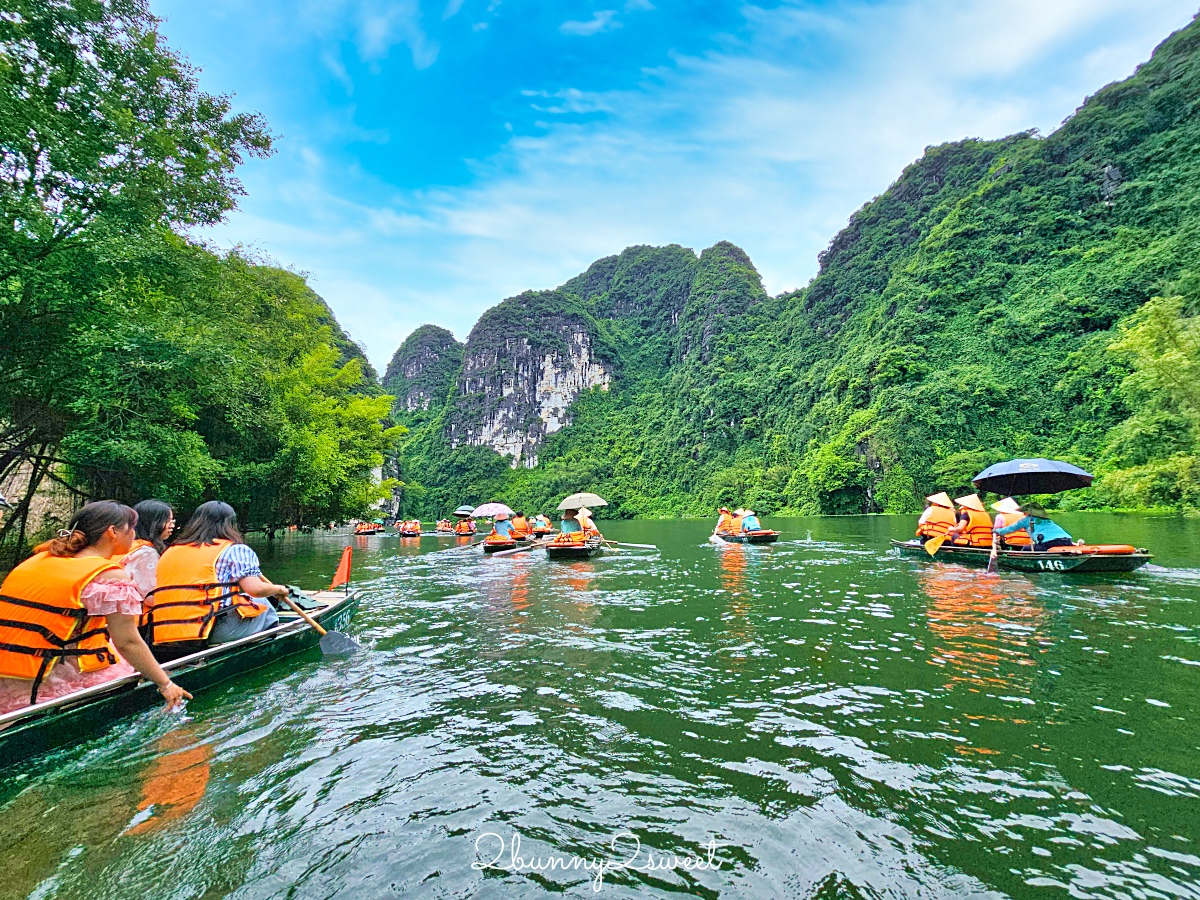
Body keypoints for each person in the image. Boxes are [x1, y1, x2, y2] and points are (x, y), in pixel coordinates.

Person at [0, 501, 190, 714]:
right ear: (113, 532)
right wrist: (166, 684)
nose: (134, 534)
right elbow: (127, 642)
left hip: (9, 677)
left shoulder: (38, 560)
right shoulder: (107, 575)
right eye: (131, 528)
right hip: (55, 683)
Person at [148, 501, 283, 655]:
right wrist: (279, 589)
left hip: (165, 631)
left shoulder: (170, 551)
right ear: (230, 523)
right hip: (210, 630)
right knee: (263, 603)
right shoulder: (235, 550)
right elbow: (256, 590)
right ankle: (263, 653)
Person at [123, 499, 175, 598]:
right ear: (153, 523)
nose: (172, 525)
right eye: (167, 521)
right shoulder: (147, 553)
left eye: (172, 521)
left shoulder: (129, 546)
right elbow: (151, 595)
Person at [994, 503, 1078, 552]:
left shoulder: (1026, 520)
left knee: (1026, 548)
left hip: (1048, 543)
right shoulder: (1048, 520)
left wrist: (996, 531)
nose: (1024, 514)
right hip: (1067, 540)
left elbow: (1010, 529)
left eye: (1024, 512)